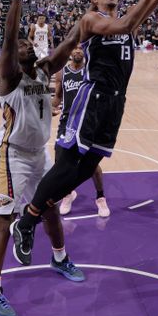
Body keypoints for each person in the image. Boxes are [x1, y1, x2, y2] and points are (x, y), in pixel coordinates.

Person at [10, 0, 158, 265]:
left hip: (116, 104)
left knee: (86, 170)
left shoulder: (126, 23)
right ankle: (27, 222)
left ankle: (29, 219)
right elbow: (130, 18)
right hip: (92, 99)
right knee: (68, 166)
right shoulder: (92, 20)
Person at [0, 0, 84, 316]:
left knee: (50, 208)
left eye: (29, 41)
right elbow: (9, 38)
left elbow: (70, 42)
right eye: (21, 43)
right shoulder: (9, 76)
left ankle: (59, 257)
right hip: (13, 156)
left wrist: (87, 20)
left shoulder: (42, 70)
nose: (25, 43)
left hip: (39, 154)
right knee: (3, 220)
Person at [53, 47, 109, 218]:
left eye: (81, 48)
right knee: (60, 161)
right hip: (67, 121)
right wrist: (49, 106)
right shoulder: (62, 73)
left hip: (88, 122)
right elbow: (57, 97)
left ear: (85, 52)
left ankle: (100, 197)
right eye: (75, 48)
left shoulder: (91, 71)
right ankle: (68, 193)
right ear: (70, 52)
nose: (77, 51)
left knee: (91, 163)